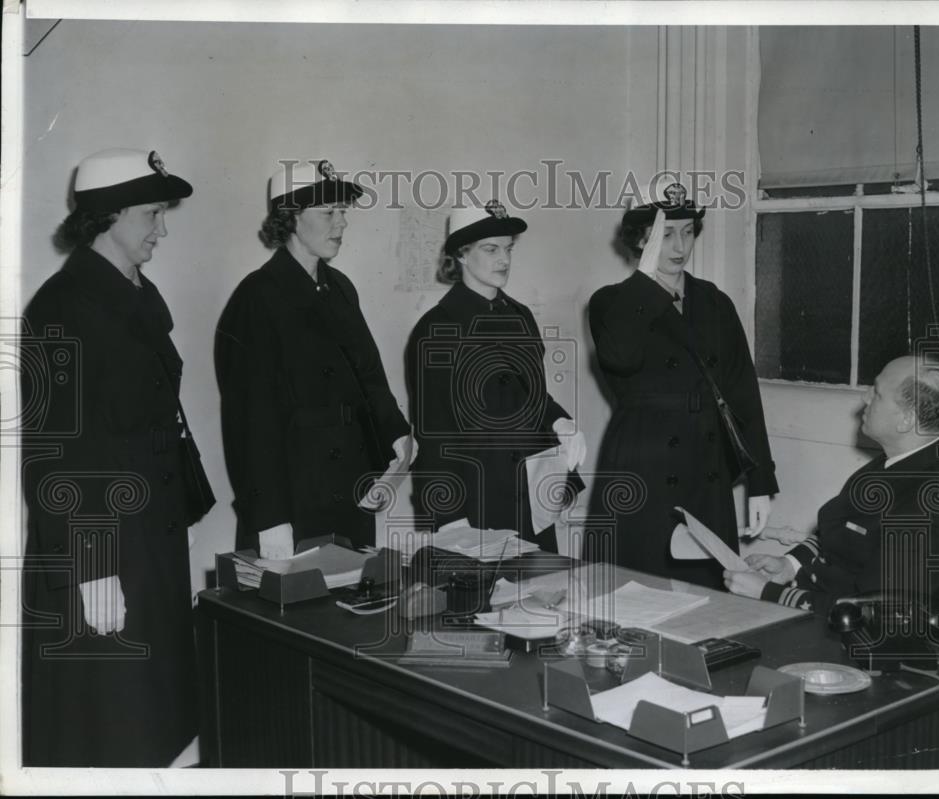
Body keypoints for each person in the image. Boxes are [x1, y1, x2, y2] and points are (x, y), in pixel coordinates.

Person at [21, 148, 199, 766]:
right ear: (107, 215)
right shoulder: (62, 307)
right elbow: (56, 459)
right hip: (100, 553)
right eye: (152, 212)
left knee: (162, 722)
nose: (162, 228)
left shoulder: (137, 295)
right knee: (114, 727)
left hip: (150, 540)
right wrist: (91, 569)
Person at [583, 179, 778, 588]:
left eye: (687, 232)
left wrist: (760, 481)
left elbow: (743, 393)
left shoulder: (715, 302)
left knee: (708, 597)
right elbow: (619, 357)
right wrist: (646, 279)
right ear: (641, 239)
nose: (679, 247)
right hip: (642, 471)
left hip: (706, 471)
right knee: (635, 594)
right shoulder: (611, 302)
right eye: (665, 234)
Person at [215, 159, 412, 558]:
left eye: (343, 212)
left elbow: (370, 380)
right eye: (328, 213)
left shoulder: (341, 289)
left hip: (353, 490)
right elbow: (249, 422)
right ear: (291, 218)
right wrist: (269, 519)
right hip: (293, 502)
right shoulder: (257, 297)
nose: (341, 224)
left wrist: (397, 442)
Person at [724, 356, 939, 620]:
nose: (865, 397)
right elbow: (843, 531)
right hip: (823, 616)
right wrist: (789, 565)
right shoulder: (900, 461)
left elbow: (876, 615)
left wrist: (769, 594)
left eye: (876, 393)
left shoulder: (929, 503)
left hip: (860, 646)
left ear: (906, 420)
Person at [405, 201, 586, 552]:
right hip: (476, 501)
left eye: (508, 248)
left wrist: (560, 423)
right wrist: (449, 519)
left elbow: (533, 399)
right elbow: (434, 430)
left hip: (531, 499)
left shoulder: (520, 315)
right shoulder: (438, 327)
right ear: (461, 254)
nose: (503, 259)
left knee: (544, 596)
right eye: (491, 250)